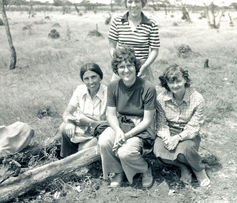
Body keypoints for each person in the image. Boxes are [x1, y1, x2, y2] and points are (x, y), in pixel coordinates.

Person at [98, 47, 156, 188]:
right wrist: (118, 131)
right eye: (121, 67)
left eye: (129, 65)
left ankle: (145, 169)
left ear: (135, 67)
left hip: (140, 127)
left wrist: (127, 135)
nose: (126, 70)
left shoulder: (148, 87)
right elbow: (110, 114)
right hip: (121, 123)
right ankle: (117, 172)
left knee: (124, 152)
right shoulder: (113, 86)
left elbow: (148, 120)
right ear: (116, 70)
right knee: (104, 141)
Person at [154, 64, 211, 187]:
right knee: (158, 150)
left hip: (188, 133)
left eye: (178, 81)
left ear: (185, 80)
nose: (175, 86)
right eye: (171, 82)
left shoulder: (197, 99)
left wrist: (178, 138)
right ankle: (183, 166)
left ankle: (199, 169)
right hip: (169, 131)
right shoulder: (161, 98)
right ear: (166, 84)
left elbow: (194, 127)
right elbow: (161, 123)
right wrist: (167, 138)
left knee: (185, 149)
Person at [59, 63, 108, 158]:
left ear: (100, 77)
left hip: (98, 132)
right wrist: (70, 122)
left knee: (82, 151)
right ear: (83, 80)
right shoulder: (80, 90)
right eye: (86, 79)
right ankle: (65, 159)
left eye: (94, 77)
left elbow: (108, 124)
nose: (91, 82)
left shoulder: (108, 93)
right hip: (81, 130)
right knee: (64, 128)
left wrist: (89, 122)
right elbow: (67, 113)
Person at [108, 0, 160, 81]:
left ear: (142, 3)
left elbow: (155, 50)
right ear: (125, 3)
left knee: (147, 92)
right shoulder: (117, 21)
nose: (133, 5)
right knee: (115, 92)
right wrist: (119, 63)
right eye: (130, 1)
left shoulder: (151, 23)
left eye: (137, 1)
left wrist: (144, 66)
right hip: (122, 68)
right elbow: (112, 47)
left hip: (142, 70)